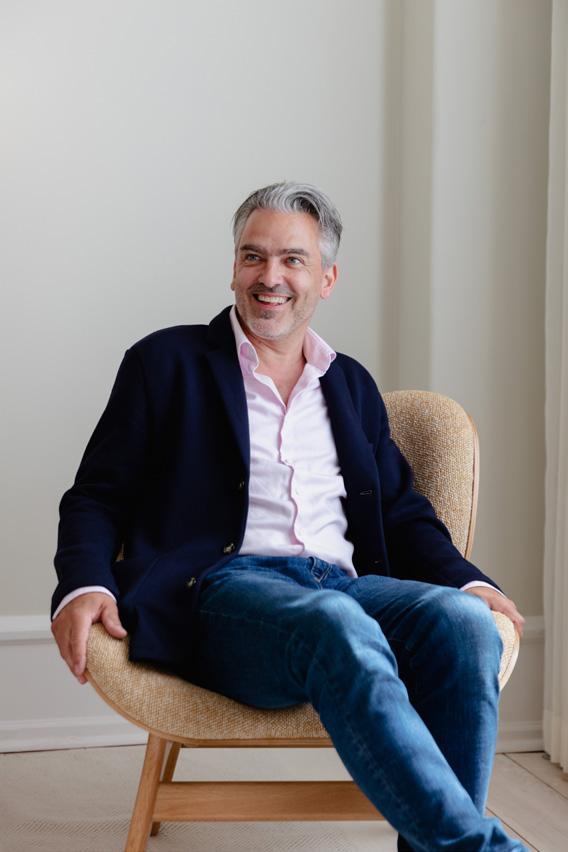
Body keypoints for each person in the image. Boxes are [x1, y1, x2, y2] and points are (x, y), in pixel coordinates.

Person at [51, 181, 526, 851]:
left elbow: (401, 511)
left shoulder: (349, 383)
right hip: (224, 593)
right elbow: (97, 495)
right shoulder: (165, 363)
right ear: (234, 267)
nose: (269, 277)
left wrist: (468, 581)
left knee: (464, 625)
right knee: (332, 622)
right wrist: (83, 584)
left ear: (326, 278)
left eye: (292, 260)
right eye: (254, 256)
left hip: (345, 587)